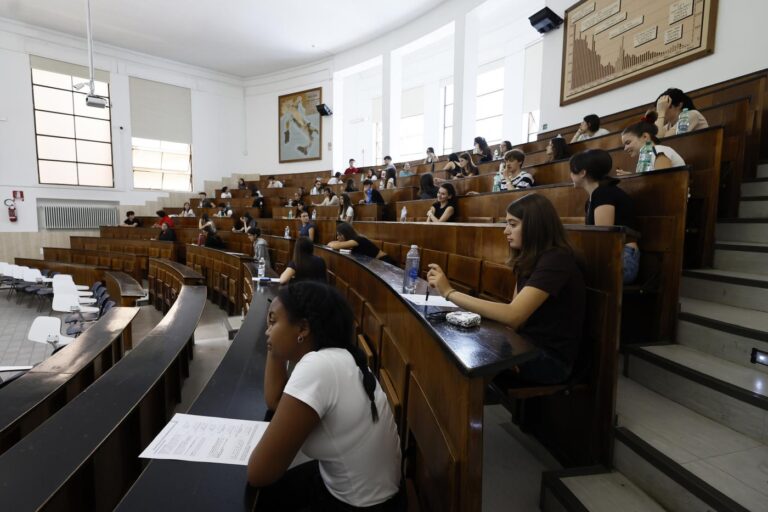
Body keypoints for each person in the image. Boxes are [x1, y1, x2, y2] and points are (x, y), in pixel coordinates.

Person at [247, 282, 403, 510]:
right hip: (370, 494)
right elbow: (275, 402)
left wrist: (274, 342)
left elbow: (258, 473)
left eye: (273, 321)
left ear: (303, 329)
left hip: (360, 505)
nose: (266, 331)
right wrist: (275, 343)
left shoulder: (318, 366)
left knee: (258, 497)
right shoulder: (339, 356)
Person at [426, 194, 586, 384]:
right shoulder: (529, 259)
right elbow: (514, 321)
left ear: (535, 226)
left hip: (549, 358)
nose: (505, 231)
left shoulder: (557, 259)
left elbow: (514, 315)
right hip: (523, 344)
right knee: (453, 346)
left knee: (461, 365)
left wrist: (449, 293)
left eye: (513, 224)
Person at [570, 149, 640, 284]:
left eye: (572, 171)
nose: (570, 175)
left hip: (623, 260)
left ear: (583, 173)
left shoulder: (603, 194)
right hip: (617, 256)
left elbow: (604, 240)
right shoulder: (597, 194)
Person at [617, 112, 686, 174]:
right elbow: (648, 180)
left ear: (645, 137)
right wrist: (631, 177)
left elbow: (665, 182)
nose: (625, 148)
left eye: (628, 143)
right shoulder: (645, 155)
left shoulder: (659, 151)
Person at [328, 223, 395, 263]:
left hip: (384, 262)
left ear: (345, 234)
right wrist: (333, 243)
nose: (337, 238)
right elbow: (330, 243)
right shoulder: (353, 239)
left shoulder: (356, 240)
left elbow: (335, 246)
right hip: (377, 263)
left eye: (339, 235)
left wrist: (333, 244)